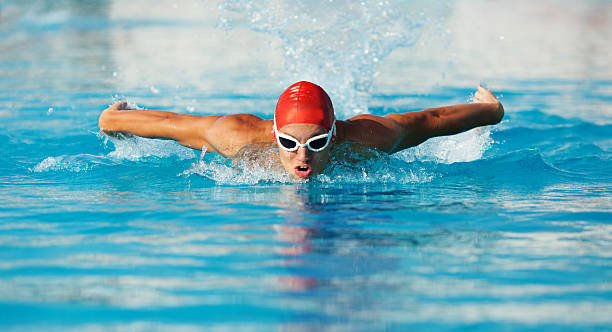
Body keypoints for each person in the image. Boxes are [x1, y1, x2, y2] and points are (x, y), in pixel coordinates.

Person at [98, 81, 504, 179]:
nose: (302, 156)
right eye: (289, 143)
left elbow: (430, 122)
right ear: (274, 134)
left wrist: (490, 110)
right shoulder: (235, 137)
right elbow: (173, 126)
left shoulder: (369, 137)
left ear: (335, 134)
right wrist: (114, 120)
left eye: (317, 142)